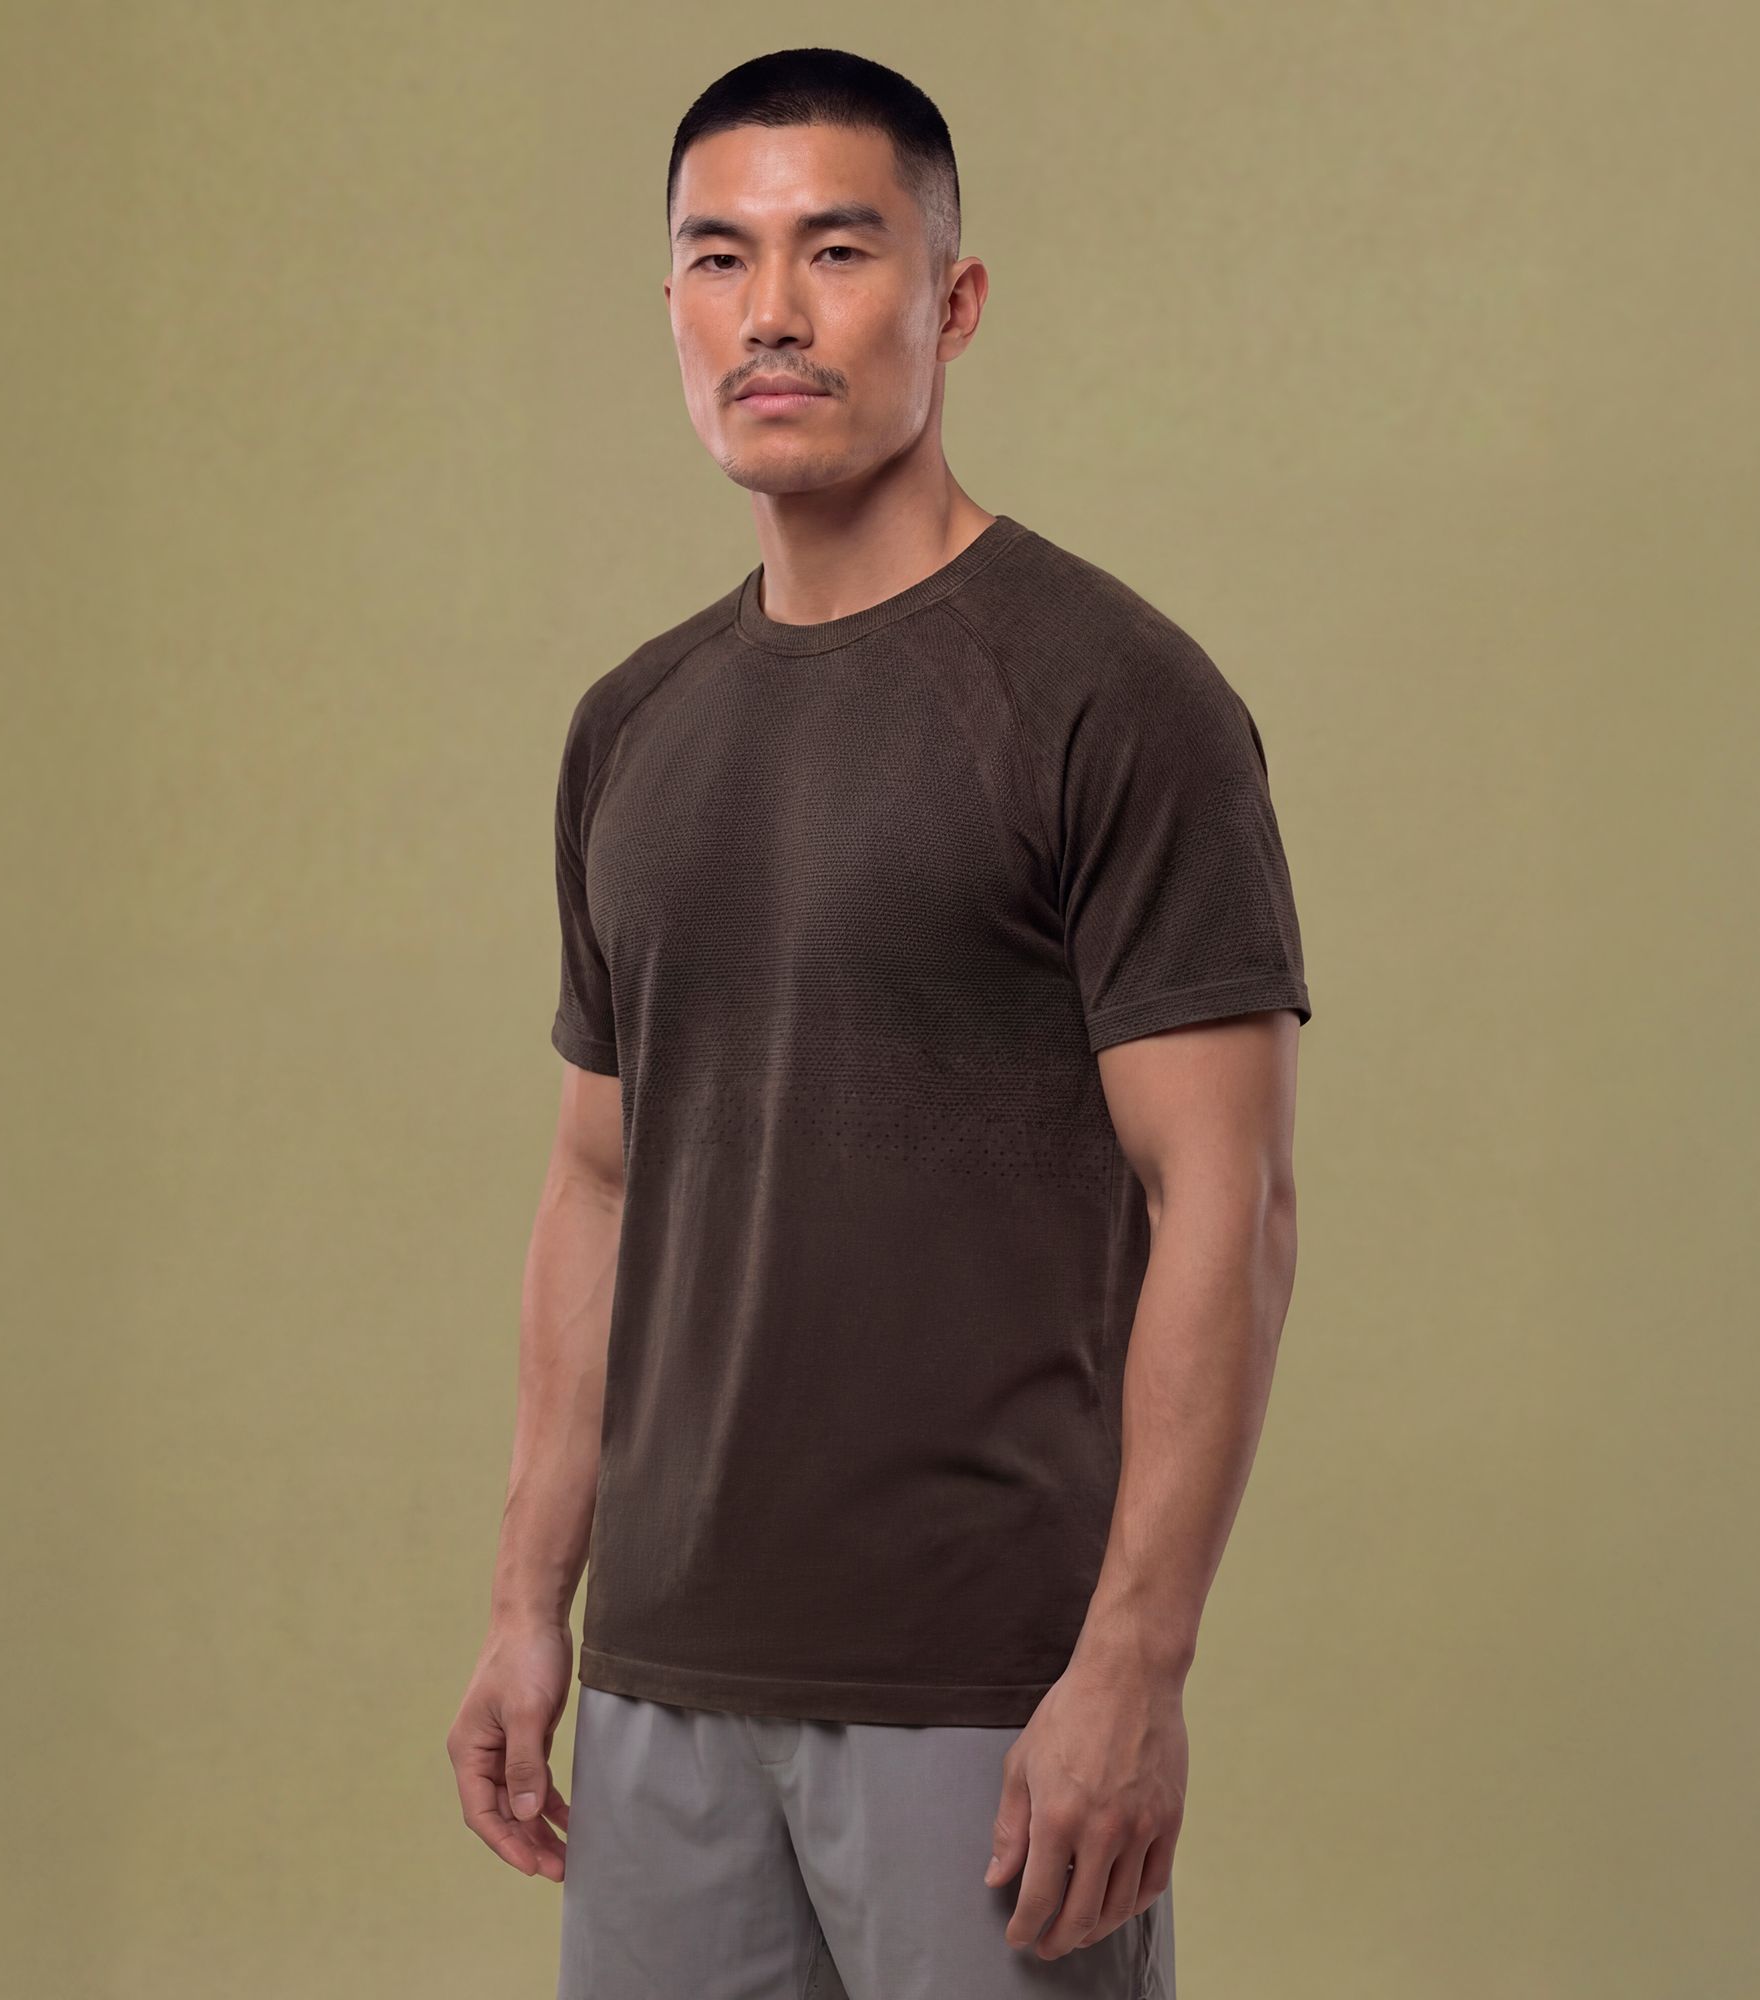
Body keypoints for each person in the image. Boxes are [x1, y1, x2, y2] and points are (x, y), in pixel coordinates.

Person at [448, 45, 1313, 1999]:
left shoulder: (1112, 697)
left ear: (953, 298)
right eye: (719, 257)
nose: (771, 311)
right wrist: (525, 1607)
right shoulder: (633, 727)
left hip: (977, 1692)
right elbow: (597, 1185)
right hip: (664, 1678)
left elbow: (1228, 1202)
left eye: (836, 251)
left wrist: (1133, 1664)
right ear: (672, 305)